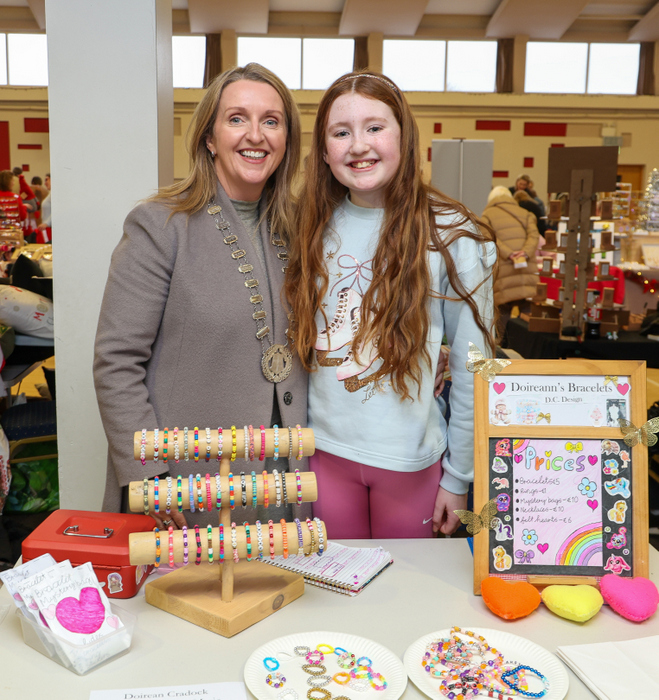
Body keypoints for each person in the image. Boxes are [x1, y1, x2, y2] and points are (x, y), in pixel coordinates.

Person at [94, 64, 308, 530]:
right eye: (237, 118)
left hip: (285, 481)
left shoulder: (301, 228)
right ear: (210, 137)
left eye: (271, 121)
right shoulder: (160, 225)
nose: (256, 135)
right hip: (186, 484)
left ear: (287, 140)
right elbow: (116, 361)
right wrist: (150, 475)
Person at [285, 71, 496, 539]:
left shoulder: (452, 233)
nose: (359, 145)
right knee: (331, 583)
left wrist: (459, 476)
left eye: (375, 127)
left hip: (411, 464)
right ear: (324, 151)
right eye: (341, 133)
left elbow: (474, 367)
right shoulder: (306, 226)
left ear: (404, 136)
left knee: (409, 586)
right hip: (324, 457)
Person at [481, 186, 539, 334]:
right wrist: (525, 253)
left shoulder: (487, 215)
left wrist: (510, 254)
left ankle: (501, 343)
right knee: (527, 312)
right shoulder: (525, 213)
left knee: (502, 312)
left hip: (504, 270)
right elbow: (534, 236)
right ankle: (525, 343)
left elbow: (489, 239)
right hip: (526, 268)